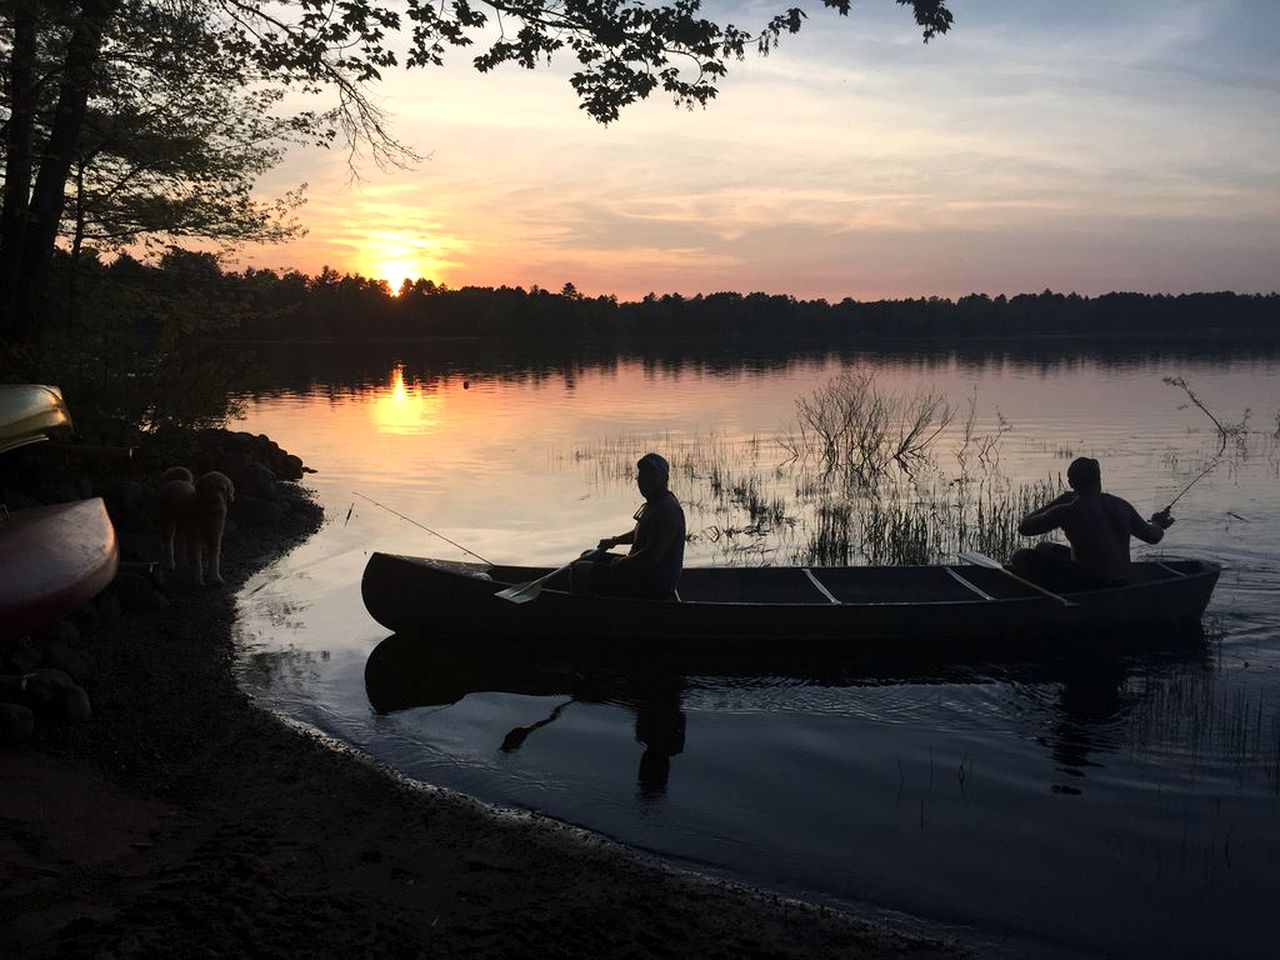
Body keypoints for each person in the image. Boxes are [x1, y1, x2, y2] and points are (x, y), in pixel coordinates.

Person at [1009, 456, 1174, 586]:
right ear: (1098, 480)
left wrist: (1058, 501)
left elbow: (1024, 528)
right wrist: (1157, 523)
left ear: (1071, 483)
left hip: (1093, 583)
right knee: (1044, 547)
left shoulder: (1069, 510)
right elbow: (1153, 537)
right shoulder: (1121, 505)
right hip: (1124, 578)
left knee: (1020, 556)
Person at [572, 452, 685, 599]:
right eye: (643, 475)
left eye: (652, 475)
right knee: (587, 556)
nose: (645, 480)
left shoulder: (666, 509)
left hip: (652, 583)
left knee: (580, 570)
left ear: (665, 479)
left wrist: (622, 563)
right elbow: (640, 534)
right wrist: (615, 541)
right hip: (641, 572)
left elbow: (652, 556)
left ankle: (590, 610)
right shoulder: (655, 502)